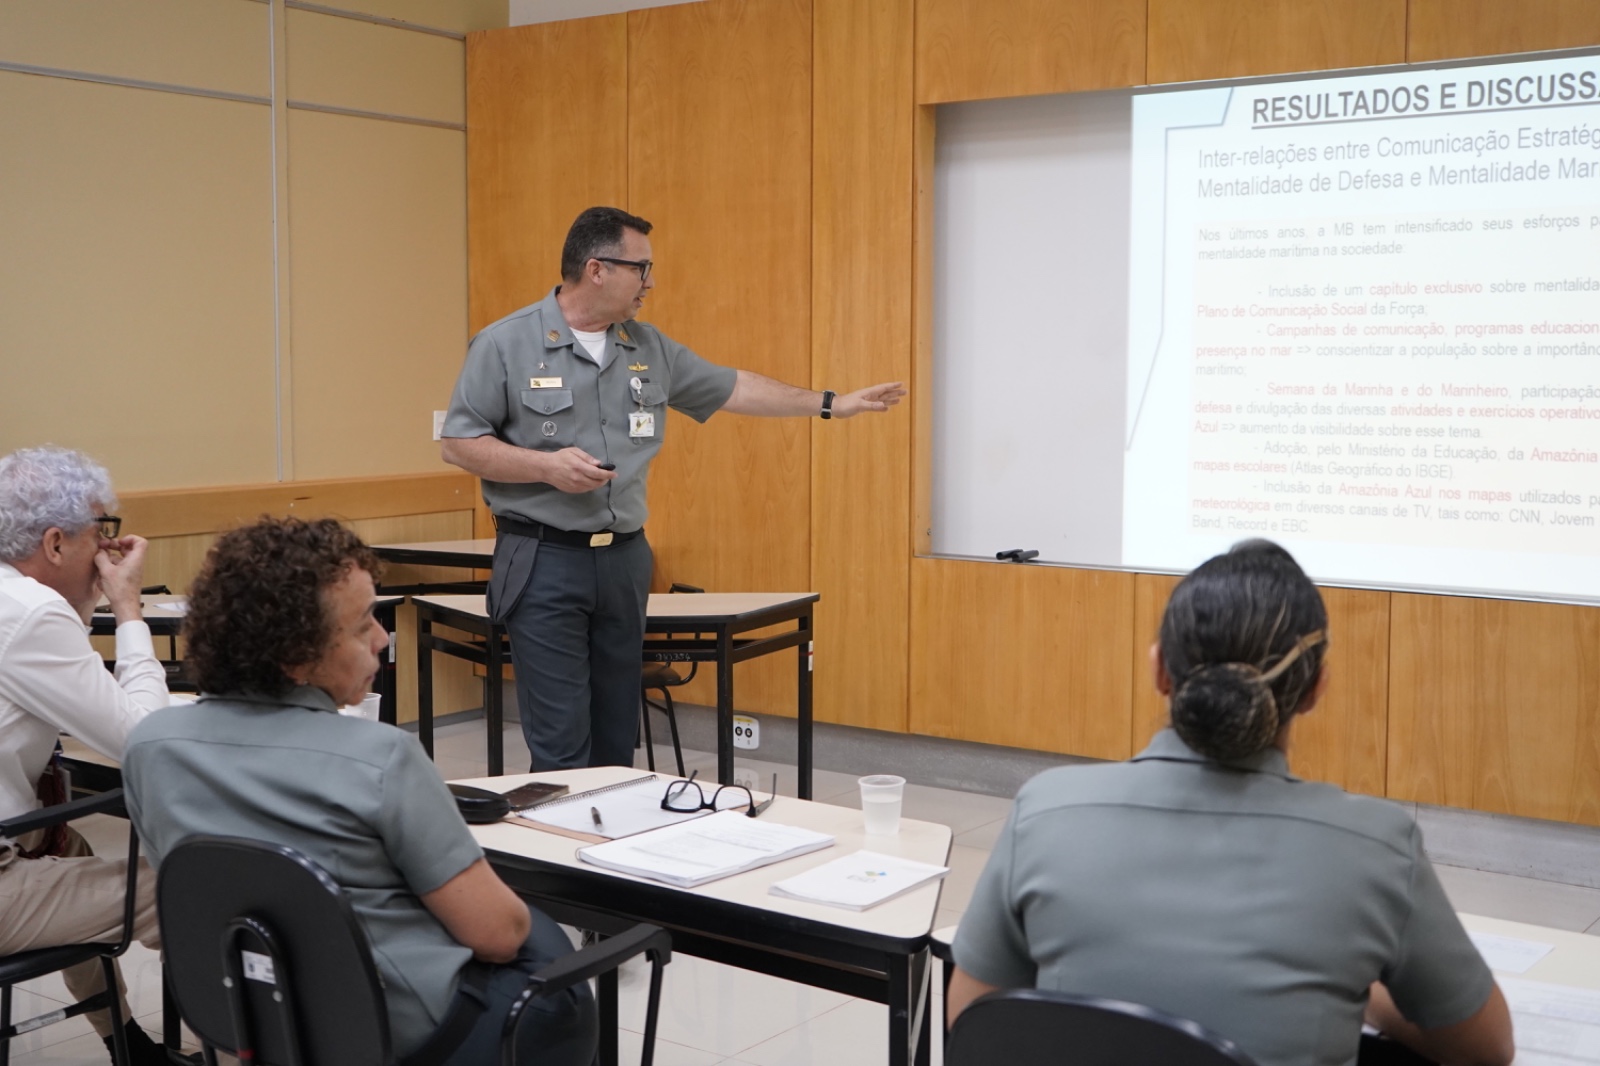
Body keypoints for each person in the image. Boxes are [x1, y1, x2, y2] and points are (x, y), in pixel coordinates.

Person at [947, 540, 1514, 1066]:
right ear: (1317, 688)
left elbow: (972, 1021)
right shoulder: (1379, 848)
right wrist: (1369, 995)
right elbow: (1487, 1047)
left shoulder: (1043, 812)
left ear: (1159, 670)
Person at [440, 205, 906, 771]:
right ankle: (556, 855)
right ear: (597, 269)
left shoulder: (648, 347)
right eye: (642, 268)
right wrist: (544, 467)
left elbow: (735, 388)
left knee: (617, 734)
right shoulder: (504, 344)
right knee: (561, 741)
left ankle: (610, 853)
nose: (650, 283)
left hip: (624, 561)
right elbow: (459, 444)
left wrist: (833, 404)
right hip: (542, 558)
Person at [123, 518, 594, 1065]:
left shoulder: (150, 746)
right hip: (403, 1032)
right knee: (536, 934)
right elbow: (498, 937)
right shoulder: (380, 757)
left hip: (245, 1014)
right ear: (295, 657)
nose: (383, 637)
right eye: (363, 623)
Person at [0, 446, 188, 1066]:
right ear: (55, 543)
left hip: (15, 835)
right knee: (192, 886)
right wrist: (128, 607)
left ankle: (129, 1046)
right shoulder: (31, 613)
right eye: (101, 532)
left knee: (69, 846)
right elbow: (147, 741)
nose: (109, 552)